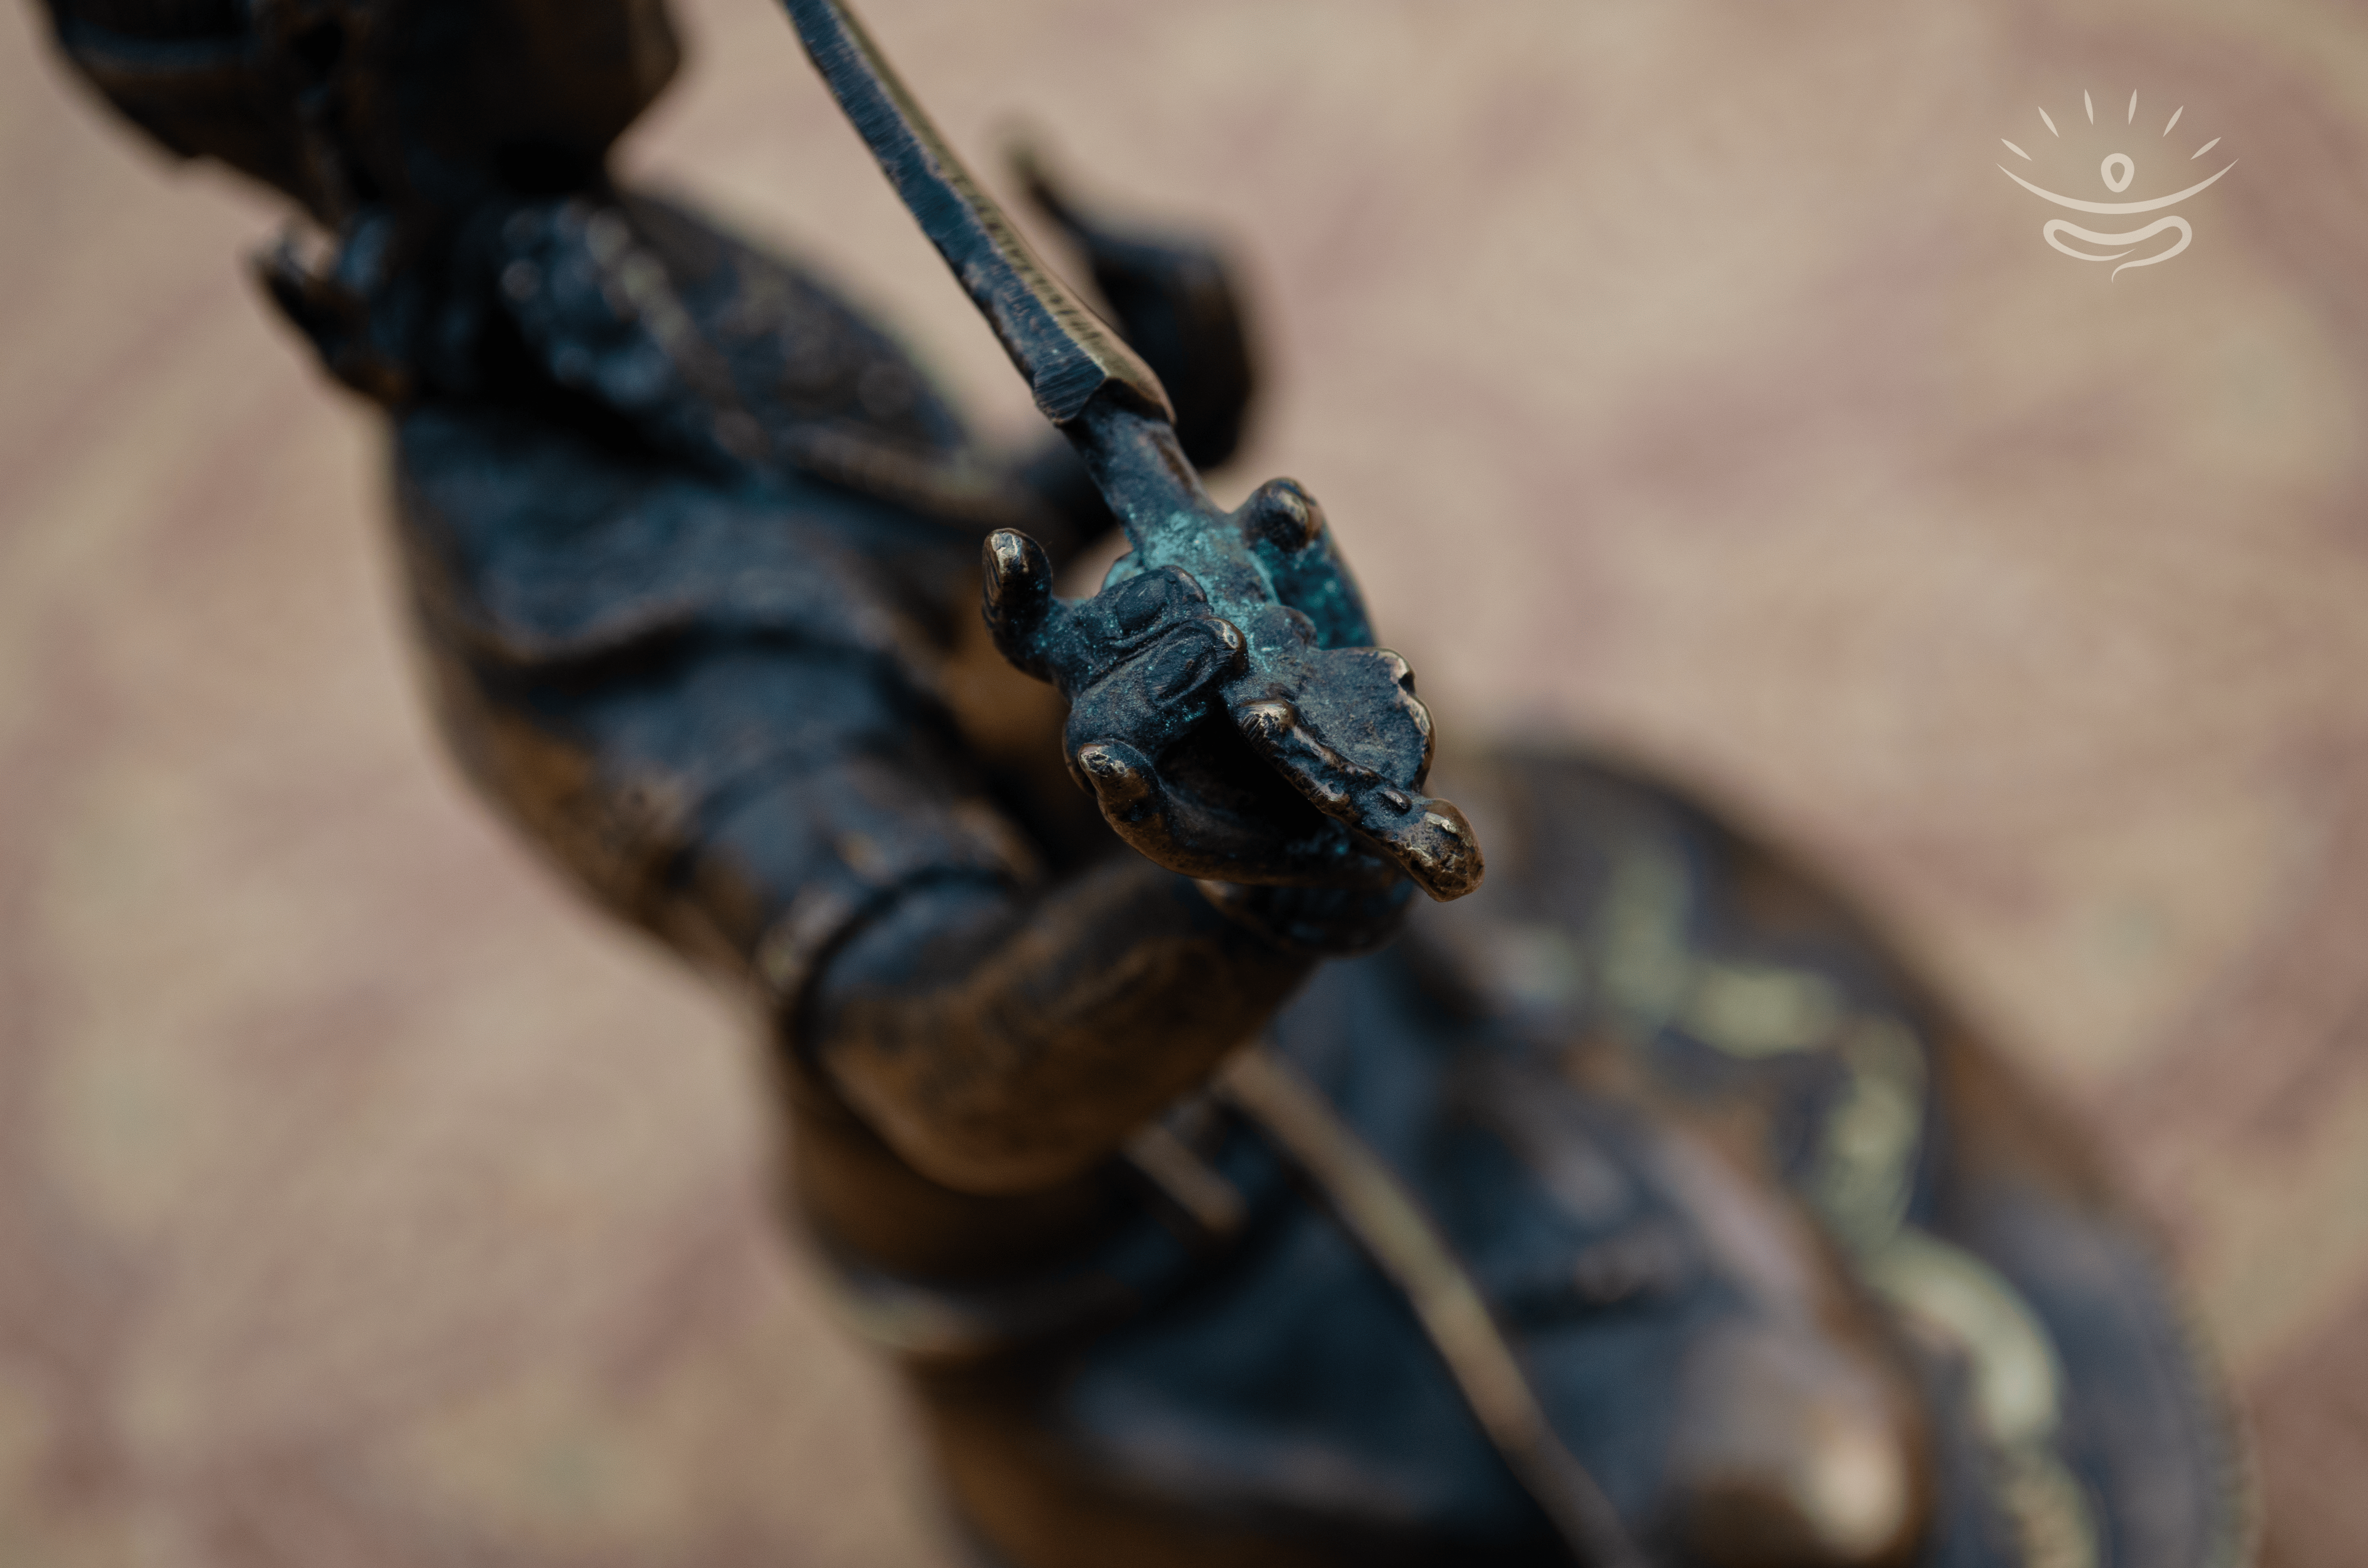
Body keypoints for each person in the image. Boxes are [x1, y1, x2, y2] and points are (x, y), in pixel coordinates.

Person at [40, 2, 2243, 1564]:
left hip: (1184, 908)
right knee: (1785, 1509)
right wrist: (1243, 899)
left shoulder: (620, 277)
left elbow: (931, 601)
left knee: (1530, 863)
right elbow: (937, 1061)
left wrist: (1155, 402)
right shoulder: (579, 592)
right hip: (1114, 1192)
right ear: (353, 54)